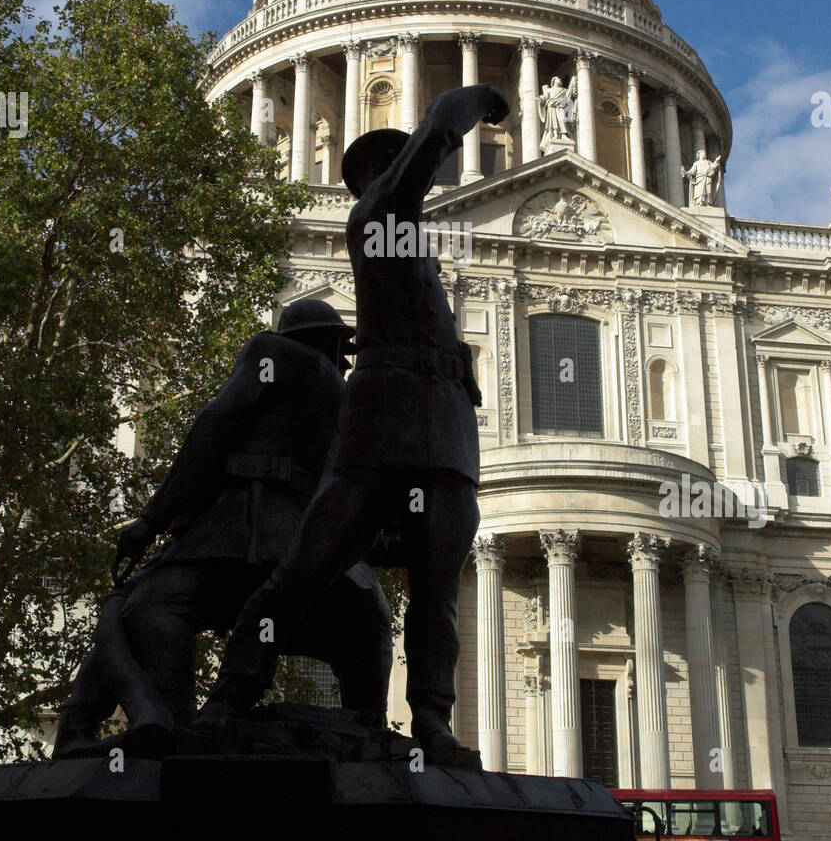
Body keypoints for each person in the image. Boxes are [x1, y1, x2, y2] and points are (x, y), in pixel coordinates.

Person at [194, 84, 510, 760]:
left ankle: (430, 720)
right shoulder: (377, 215)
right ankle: (229, 694)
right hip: (383, 416)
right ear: (373, 175)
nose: (411, 176)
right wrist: (465, 104)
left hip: (445, 426)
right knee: (309, 564)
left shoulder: (421, 251)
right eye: (393, 163)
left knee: (436, 591)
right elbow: (429, 142)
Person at [53, 300, 392, 758]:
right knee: (368, 628)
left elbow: (215, 425)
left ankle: (168, 723)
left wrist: (151, 520)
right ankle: (367, 728)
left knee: (144, 604)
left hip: (249, 527)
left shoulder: (271, 350)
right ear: (332, 343)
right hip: (321, 552)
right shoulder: (352, 395)